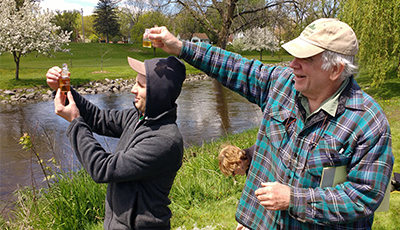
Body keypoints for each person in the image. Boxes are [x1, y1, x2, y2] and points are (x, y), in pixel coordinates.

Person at [147, 18, 394, 229]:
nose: (292, 64)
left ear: (335, 70)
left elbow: (365, 195)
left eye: (305, 58)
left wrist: (294, 199)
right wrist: (180, 47)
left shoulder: (367, 122)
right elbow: (235, 67)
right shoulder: (282, 85)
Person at [46, 55, 186, 229]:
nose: (133, 89)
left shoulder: (165, 141)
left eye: (140, 85)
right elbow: (98, 118)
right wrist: (63, 88)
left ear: (158, 93)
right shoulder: (138, 117)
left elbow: (103, 169)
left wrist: (75, 122)